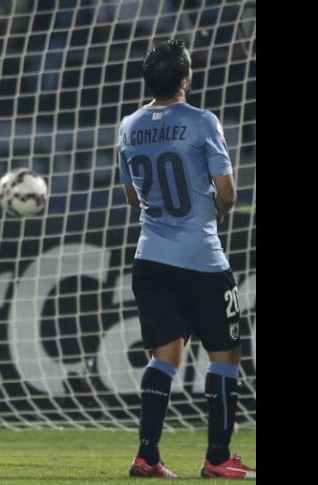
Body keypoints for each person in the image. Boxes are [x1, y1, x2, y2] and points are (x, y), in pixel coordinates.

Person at [118, 39, 255, 479]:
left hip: (150, 258)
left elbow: (132, 199)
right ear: (184, 78)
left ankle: (147, 455)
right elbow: (228, 195)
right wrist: (206, 205)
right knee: (225, 354)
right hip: (200, 256)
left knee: (165, 356)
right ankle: (217, 457)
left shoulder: (129, 126)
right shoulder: (202, 122)